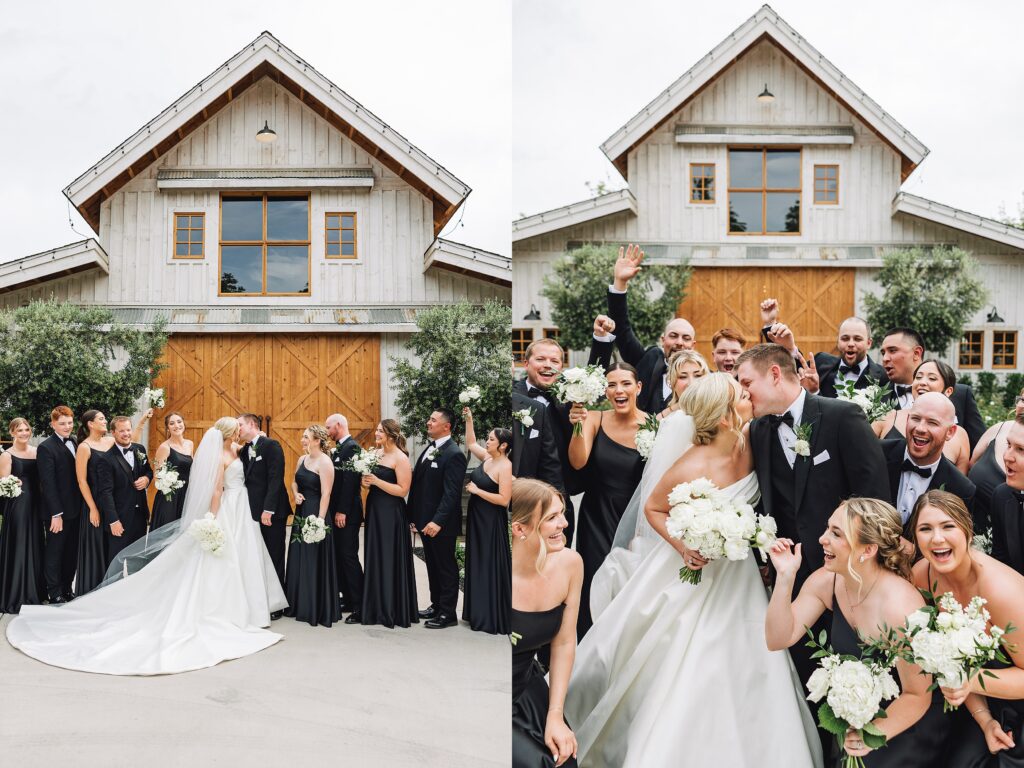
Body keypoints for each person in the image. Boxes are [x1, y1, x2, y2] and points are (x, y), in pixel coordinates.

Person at [564, 373, 820, 767]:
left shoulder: (752, 438)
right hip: (698, 573)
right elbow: (653, 508)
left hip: (742, 576)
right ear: (723, 416)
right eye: (740, 396)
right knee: (689, 655)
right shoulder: (692, 463)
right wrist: (685, 546)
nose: (748, 396)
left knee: (754, 653)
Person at [5, 417, 288, 674]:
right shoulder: (218, 455)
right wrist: (212, 517)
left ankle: (250, 606)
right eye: (237, 428)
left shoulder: (239, 451)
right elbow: (215, 489)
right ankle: (227, 610)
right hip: (226, 509)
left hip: (241, 511)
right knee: (221, 560)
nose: (240, 430)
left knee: (242, 559)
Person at [736, 343, 889, 708]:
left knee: (854, 677)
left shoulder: (842, 417)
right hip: (791, 578)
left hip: (848, 577)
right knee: (804, 679)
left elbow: (875, 500)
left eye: (746, 383)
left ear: (775, 374)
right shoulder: (758, 430)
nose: (743, 393)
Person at [766, 498, 944, 766]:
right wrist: (785, 578)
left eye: (836, 533)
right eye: (828, 529)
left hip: (903, 732)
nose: (822, 539)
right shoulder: (828, 582)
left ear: (868, 549)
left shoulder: (901, 608)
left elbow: (917, 695)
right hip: (853, 726)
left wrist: (868, 737)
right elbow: (778, 638)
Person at [910, 490, 1024, 765]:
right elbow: (950, 663)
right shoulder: (921, 577)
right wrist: (984, 720)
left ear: (968, 531)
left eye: (948, 526)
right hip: (977, 701)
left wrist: (969, 679)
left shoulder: (1001, 591)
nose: (937, 538)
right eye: (925, 529)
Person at [567, 363, 645, 638]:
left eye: (625, 383)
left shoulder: (655, 426)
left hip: (637, 518)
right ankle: (589, 650)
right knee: (594, 583)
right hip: (597, 515)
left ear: (638, 388)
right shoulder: (594, 419)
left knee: (631, 585)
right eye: (611, 385)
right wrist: (577, 427)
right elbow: (578, 462)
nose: (618, 390)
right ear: (605, 391)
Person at [511, 478, 582, 768]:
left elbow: (564, 641)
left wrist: (555, 714)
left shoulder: (570, 564)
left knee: (562, 759)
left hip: (528, 682)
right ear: (520, 529)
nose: (564, 523)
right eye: (552, 518)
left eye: (562, 513)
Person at [598, 244, 696, 413]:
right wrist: (620, 283)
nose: (679, 342)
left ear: (693, 345)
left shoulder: (704, 375)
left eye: (686, 338)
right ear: (662, 340)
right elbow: (622, 330)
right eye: (673, 336)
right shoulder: (648, 360)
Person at [407, 409, 468, 629]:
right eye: (429, 418)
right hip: (425, 521)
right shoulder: (430, 448)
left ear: (447, 426)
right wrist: (413, 516)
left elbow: (451, 493)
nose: (428, 422)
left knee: (445, 567)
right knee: (431, 564)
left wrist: (437, 522)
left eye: (433, 420)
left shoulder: (454, 454)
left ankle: (448, 613)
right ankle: (435, 604)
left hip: (441, 524)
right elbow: (419, 487)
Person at [878, 392, 976, 528]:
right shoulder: (877, 454)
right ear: (907, 420)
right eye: (916, 419)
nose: (920, 428)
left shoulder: (961, 489)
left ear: (950, 432)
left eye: (932, 422)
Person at [879, 328, 985, 450]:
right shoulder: (876, 397)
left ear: (917, 353)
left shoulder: (961, 394)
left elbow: (979, 447)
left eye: (892, 351)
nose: (885, 358)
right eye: (883, 353)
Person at [360, 419, 418, 629]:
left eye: (380, 431)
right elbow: (370, 483)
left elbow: (403, 490)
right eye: (376, 429)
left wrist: (376, 481)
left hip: (391, 513)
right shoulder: (374, 454)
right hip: (374, 510)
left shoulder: (400, 458)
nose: (376, 433)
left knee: (389, 557)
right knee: (374, 556)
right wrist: (366, 483)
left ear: (391, 435)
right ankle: (374, 607)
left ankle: (391, 609)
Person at [462, 408, 512, 634]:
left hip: (491, 522)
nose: (487, 441)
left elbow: (504, 500)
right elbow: (471, 442)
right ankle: (475, 611)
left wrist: (477, 490)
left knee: (488, 563)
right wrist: (469, 419)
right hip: (477, 519)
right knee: (477, 561)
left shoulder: (505, 465)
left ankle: (488, 614)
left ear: (503, 445)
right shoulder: (487, 457)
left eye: (491, 439)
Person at [284, 425, 338, 628]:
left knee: (314, 557)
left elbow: (326, 493)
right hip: (301, 511)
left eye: (306, 437)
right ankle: (298, 604)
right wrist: (295, 493)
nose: (302, 439)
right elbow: (294, 481)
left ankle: (314, 606)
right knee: (299, 556)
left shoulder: (325, 462)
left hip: (316, 513)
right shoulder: (301, 459)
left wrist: (320, 521)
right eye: (303, 436)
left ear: (317, 440)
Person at [873, 360, 970, 472]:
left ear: (948, 391)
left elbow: (959, 484)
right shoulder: (887, 418)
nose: (922, 382)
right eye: (918, 377)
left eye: (932, 378)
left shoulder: (960, 436)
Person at [237, 413, 290, 608]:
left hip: (272, 512)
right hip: (252, 512)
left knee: (274, 554)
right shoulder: (244, 451)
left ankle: (277, 602)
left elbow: (276, 479)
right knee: (259, 555)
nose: (238, 429)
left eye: (240, 425)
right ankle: (262, 598)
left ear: (252, 425)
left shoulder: (271, 446)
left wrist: (269, 510)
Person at [35, 405, 82, 604]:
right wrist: (56, 514)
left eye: (70, 423)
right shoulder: (46, 447)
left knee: (71, 551)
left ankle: (66, 588)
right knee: (55, 553)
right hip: (58, 513)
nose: (67, 427)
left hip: (77, 509)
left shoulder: (75, 442)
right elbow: (48, 483)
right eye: (62, 423)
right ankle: (54, 592)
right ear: (53, 424)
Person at [94, 416, 153, 568]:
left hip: (140, 517)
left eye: (128, 430)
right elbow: (105, 493)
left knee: (138, 560)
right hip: (119, 519)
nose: (126, 434)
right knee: (116, 562)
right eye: (121, 431)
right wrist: (113, 521)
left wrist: (146, 479)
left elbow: (148, 471)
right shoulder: (106, 459)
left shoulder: (140, 449)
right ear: (113, 433)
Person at [0, 418, 45, 613]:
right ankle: (16, 593)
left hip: (36, 505)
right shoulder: (7, 456)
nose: (24, 433)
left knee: (35, 544)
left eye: (27, 429)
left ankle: (33, 591)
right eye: (19, 430)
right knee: (19, 545)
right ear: (12, 433)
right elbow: (3, 486)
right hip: (18, 506)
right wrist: (12, 483)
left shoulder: (37, 451)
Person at [326, 413, 365, 623]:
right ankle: (348, 598)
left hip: (347, 513)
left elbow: (350, 483)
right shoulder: (339, 448)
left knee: (348, 556)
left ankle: (360, 605)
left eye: (328, 427)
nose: (326, 431)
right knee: (340, 556)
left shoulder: (351, 448)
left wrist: (342, 511)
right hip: (338, 512)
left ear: (338, 426)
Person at [969, 386, 1024, 532]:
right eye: (1023, 399)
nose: (1007, 456)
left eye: (1021, 449)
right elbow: (970, 465)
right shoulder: (998, 429)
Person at [74, 410, 114, 595]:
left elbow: (132, 442)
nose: (105, 421)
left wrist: (141, 422)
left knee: (110, 548)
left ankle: (109, 591)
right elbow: (82, 481)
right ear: (90, 424)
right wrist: (93, 508)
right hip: (94, 503)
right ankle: (91, 593)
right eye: (101, 419)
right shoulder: (84, 447)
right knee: (95, 548)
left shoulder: (111, 441)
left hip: (112, 502)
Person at [990, 415, 1024, 575]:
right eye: (1008, 445)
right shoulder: (1002, 496)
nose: (1006, 457)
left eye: (1021, 449)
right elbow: (1000, 566)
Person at [150, 411, 194, 530]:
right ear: (168, 428)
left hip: (186, 494)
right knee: (166, 531)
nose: (176, 426)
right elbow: (156, 476)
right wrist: (170, 484)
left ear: (183, 424)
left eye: (179, 422)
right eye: (172, 423)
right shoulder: (165, 447)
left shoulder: (190, 444)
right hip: (169, 497)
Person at [656, 349, 709, 419]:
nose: (691, 383)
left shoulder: (720, 413)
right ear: (672, 382)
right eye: (683, 377)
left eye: (698, 375)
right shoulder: (661, 421)